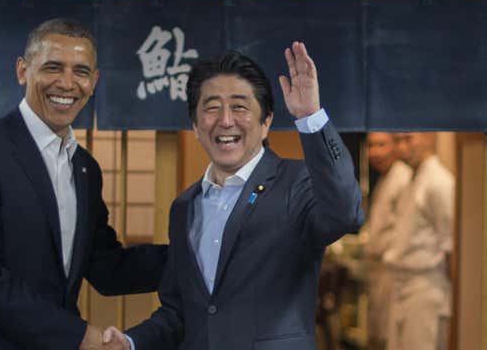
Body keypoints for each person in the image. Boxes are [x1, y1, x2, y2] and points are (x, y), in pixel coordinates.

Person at [103, 43, 364, 350]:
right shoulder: (184, 207)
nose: (225, 120)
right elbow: (179, 312)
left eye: (240, 106)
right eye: (212, 107)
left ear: (266, 121)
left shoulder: (297, 182)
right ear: (196, 127)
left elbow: (346, 212)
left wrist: (310, 118)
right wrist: (131, 341)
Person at [0, 19, 167, 350]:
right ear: (23, 70)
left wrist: (198, 257)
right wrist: (79, 336)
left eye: (81, 72)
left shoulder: (85, 168)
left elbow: (107, 267)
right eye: (53, 67)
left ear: (94, 81)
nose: (67, 83)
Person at [385, 132, 454, 350]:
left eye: (408, 139)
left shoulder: (439, 182)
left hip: (426, 287)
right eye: (397, 140)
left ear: (428, 138)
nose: (402, 147)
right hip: (402, 284)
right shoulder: (410, 179)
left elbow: (451, 244)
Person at [363, 132, 412, 350]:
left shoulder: (402, 177)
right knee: (377, 336)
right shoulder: (386, 177)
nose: (375, 152)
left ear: (395, 146)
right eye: (371, 145)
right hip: (377, 270)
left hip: (393, 273)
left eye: (382, 145)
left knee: (388, 338)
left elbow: (403, 231)